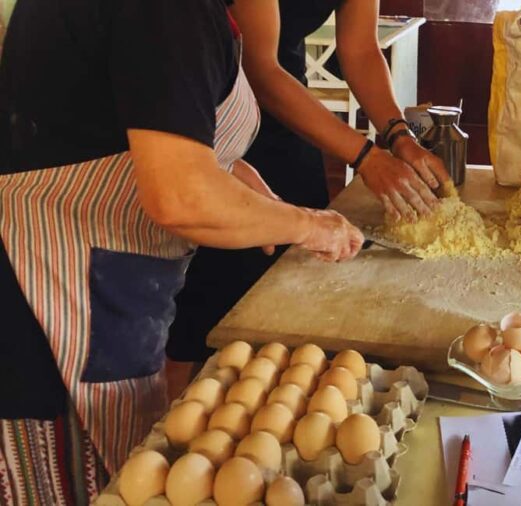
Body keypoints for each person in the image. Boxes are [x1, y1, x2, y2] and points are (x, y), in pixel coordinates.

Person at [0, 0, 362, 500]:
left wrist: (233, 176)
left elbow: (121, 124)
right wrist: (308, 225)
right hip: (50, 302)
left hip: (104, 285)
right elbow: (178, 194)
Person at [167, 0, 450, 364]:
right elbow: (260, 69)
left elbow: (361, 49)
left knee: (303, 285)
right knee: (218, 315)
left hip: (294, 117)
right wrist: (367, 158)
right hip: (213, 112)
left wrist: (400, 137)